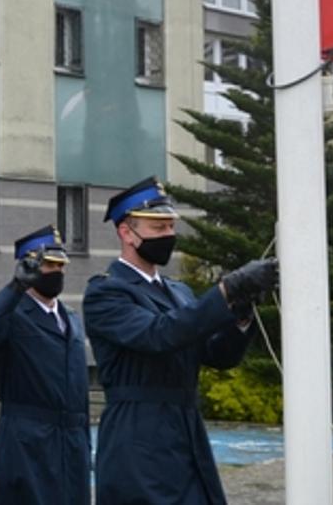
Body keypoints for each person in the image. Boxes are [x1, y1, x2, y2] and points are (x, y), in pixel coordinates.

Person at [82, 178, 279, 505]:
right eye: (157, 227)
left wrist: (241, 311)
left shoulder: (178, 291)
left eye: (170, 226)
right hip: (138, 433)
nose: (168, 235)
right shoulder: (106, 292)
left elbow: (217, 354)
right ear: (127, 233)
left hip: (185, 429)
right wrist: (227, 289)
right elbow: (158, 334)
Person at [0, 225, 91, 505]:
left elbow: (79, 391)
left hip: (71, 444)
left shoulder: (70, 317)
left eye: (61, 264)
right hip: (27, 443)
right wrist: (15, 288)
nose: (56, 271)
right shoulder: (11, 312)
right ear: (28, 265)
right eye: (48, 264)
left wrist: (84, 445)